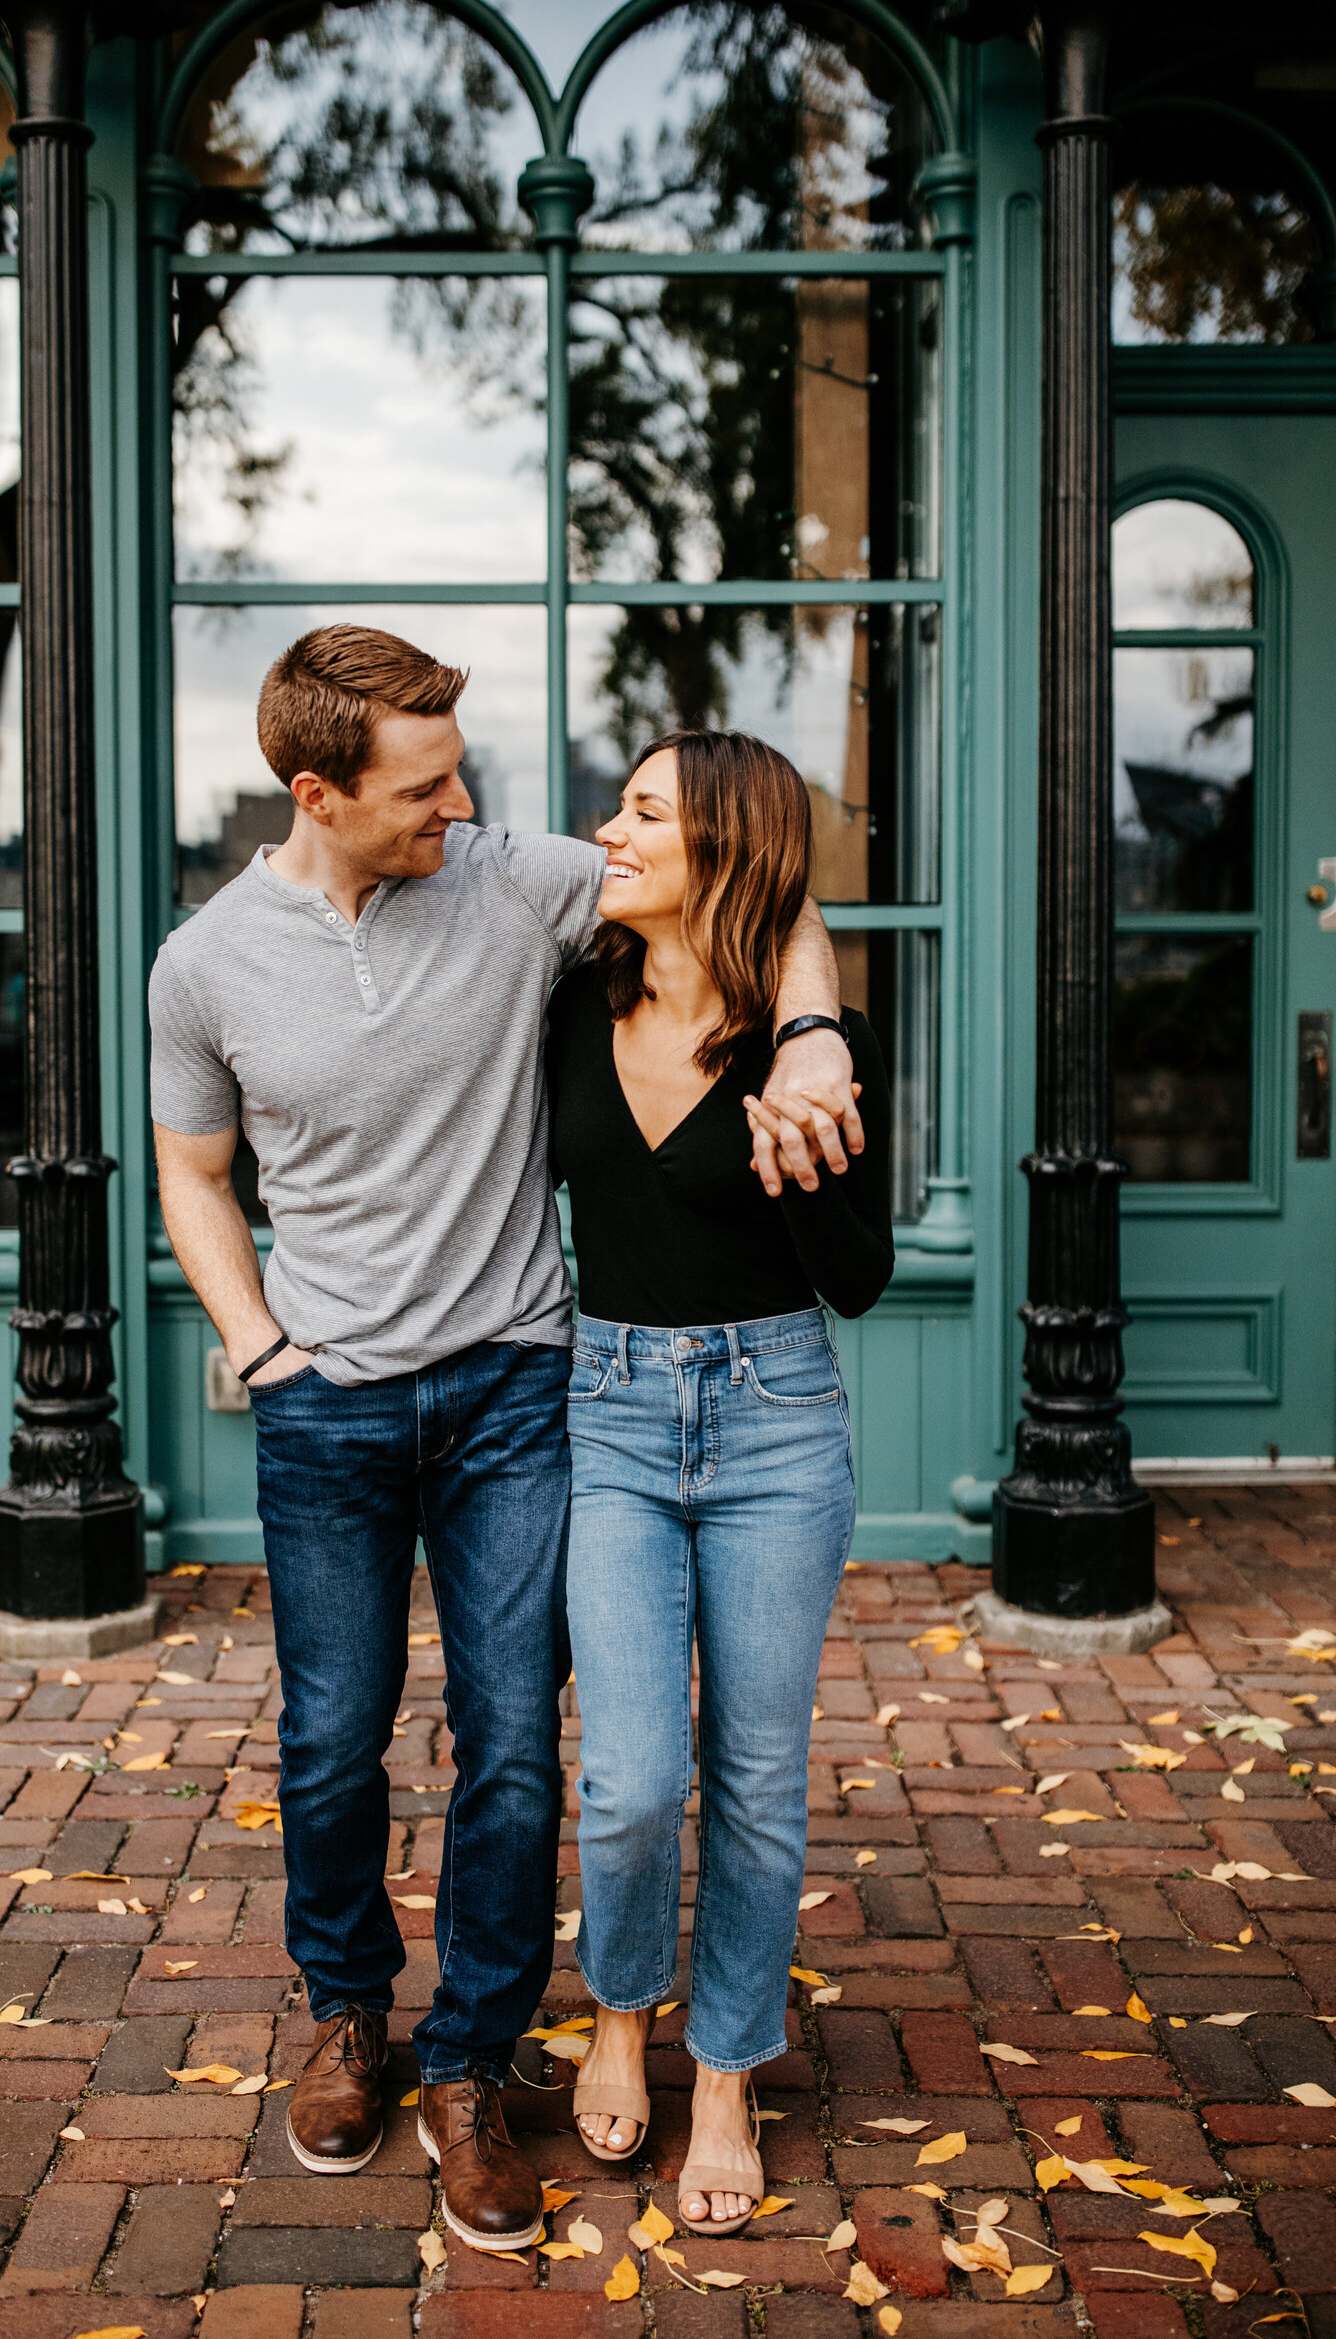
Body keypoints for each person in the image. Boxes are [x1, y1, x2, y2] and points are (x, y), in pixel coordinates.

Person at [148, 627, 859, 2252]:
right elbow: (194, 1175)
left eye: (460, 774)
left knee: (516, 1746)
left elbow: (762, 893)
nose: (462, 806)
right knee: (333, 1735)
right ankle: (350, 2019)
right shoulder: (202, 966)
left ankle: (469, 2058)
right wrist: (263, 1351)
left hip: (518, 1391)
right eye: (425, 785)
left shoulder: (509, 877)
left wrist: (814, 1037)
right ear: (318, 791)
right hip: (326, 1407)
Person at [547, 727, 893, 2232]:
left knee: (754, 1775)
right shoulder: (570, 995)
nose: (608, 834)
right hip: (610, 1410)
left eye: (642, 815)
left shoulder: (811, 1047)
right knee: (629, 1781)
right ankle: (622, 2005)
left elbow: (862, 1282)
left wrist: (798, 1157)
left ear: (723, 854)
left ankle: (731, 2066)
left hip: (773, 1417)